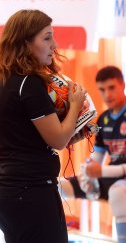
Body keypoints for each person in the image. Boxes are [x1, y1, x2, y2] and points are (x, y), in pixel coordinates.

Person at [0, 9, 87, 243]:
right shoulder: (29, 84)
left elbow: (29, 139)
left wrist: (77, 130)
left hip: (7, 190)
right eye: (47, 37)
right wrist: (75, 105)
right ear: (25, 43)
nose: (55, 45)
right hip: (29, 192)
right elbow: (58, 140)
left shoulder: (2, 82)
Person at [60, 66, 126, 243]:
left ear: (123, 85)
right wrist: (86, 173)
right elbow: (96, 157)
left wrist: (100, 172)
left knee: (118, 193)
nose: (107, 94)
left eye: (112, 87)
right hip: (108, 175)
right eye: (102, 90)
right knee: (55, 187)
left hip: (119, 180)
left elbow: (102, 168)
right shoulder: (104, 118)